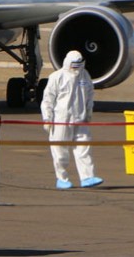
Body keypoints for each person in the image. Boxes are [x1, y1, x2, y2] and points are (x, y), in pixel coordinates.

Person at [40, 50, 104, 189]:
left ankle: (87, 177)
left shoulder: (85, 76)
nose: (76, 68)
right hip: (61, 120)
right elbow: (48, 99)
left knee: (84, 148)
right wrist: (47, 118)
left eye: (79, 64)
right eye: (74, 65)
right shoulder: (57, 77)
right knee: (60, 152)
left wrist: (89, 113)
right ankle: (62, 179)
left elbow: (89, 95)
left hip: (81, 119)